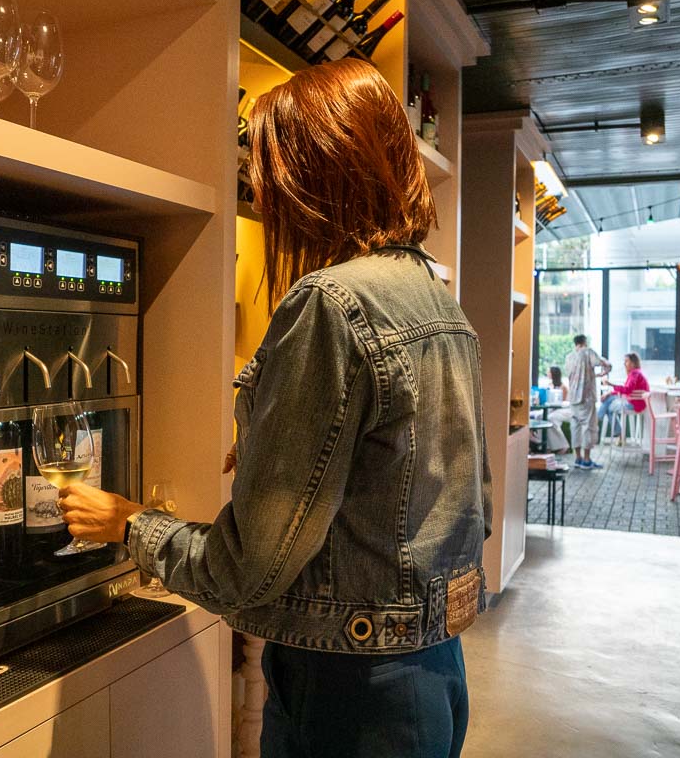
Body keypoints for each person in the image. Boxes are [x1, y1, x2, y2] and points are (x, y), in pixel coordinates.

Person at [58, 59, 492, 758]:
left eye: (267, 163)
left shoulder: (330, 303)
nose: (259, 185)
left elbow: (249, 569)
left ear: (314, 170)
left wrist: (130, 522)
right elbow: (462, 507)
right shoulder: (438, 302)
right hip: (434, 671)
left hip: (349, 689)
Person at [564, 334, 610, 469]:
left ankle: (577, 458)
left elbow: (575, 374)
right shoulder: (588, 352)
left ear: (575, 343)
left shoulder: (569, 357)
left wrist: (593, 374)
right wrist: (606, 368)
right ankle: (587, 459)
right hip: (586, 397)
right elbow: (601, 363)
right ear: (585, 342)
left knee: (575, 426)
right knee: (588, 427)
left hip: (573, 397)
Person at [599, 353, 650, 439]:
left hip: (634, 404)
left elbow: (628, 390)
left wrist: (610, 384)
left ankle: (598, 418)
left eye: (626, 361)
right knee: (609, 399)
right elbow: (626, 391)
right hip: (637, 403)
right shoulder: (636, 373)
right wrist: (610, 393)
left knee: (608, 405)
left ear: (633, 363)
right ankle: (618, 433)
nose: (624, 364)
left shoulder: (634, 374)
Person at [541, 366, 571, 453]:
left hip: (563, 409)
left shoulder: (563, 387)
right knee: (540, 417)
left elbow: (562, 402)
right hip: (552, 408)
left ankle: (563, 445)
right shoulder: (549, 386)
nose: (547, 374)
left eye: (549, 372)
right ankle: (545, 445)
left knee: (550, 419)